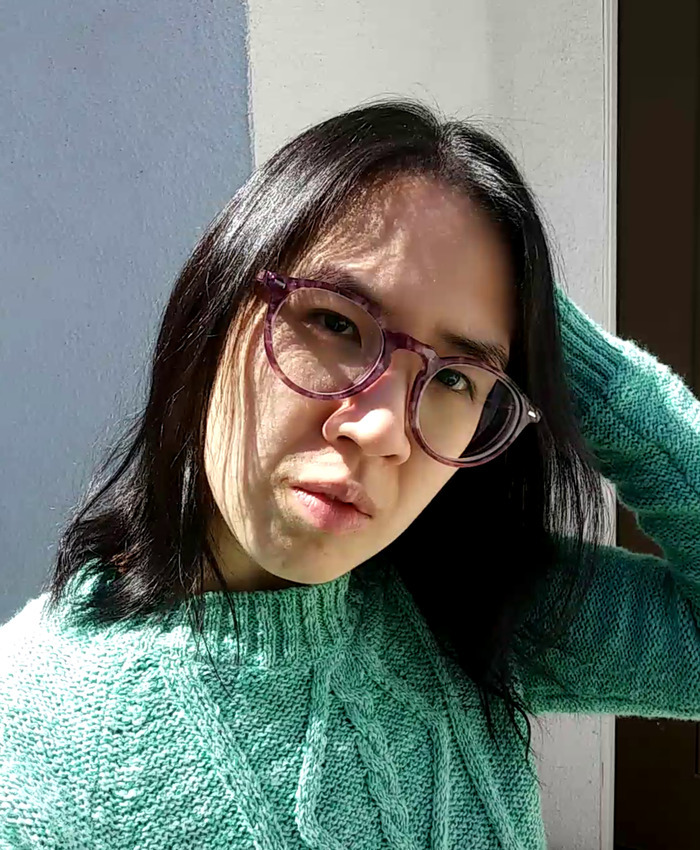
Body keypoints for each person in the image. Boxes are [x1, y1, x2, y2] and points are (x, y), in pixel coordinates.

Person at [1, 98, 699, 850]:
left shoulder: (460, 597)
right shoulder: (38, 734)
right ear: (216, 305)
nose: (380, 429)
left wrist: (572, 362)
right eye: (336, 323)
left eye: (456, 378)